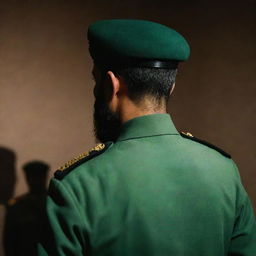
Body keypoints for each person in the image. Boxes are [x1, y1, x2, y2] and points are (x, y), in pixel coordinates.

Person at [38, 19, 256, 256]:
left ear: (111, 85)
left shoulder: (76, 186)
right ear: (171, 86)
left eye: (95, 80)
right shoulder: (224, 170)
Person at [4, 161, 49, 256]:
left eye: (38, 177)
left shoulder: (55, 202)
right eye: (32, 178)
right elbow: (9, 242)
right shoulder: (16, 206)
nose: (35, 181)